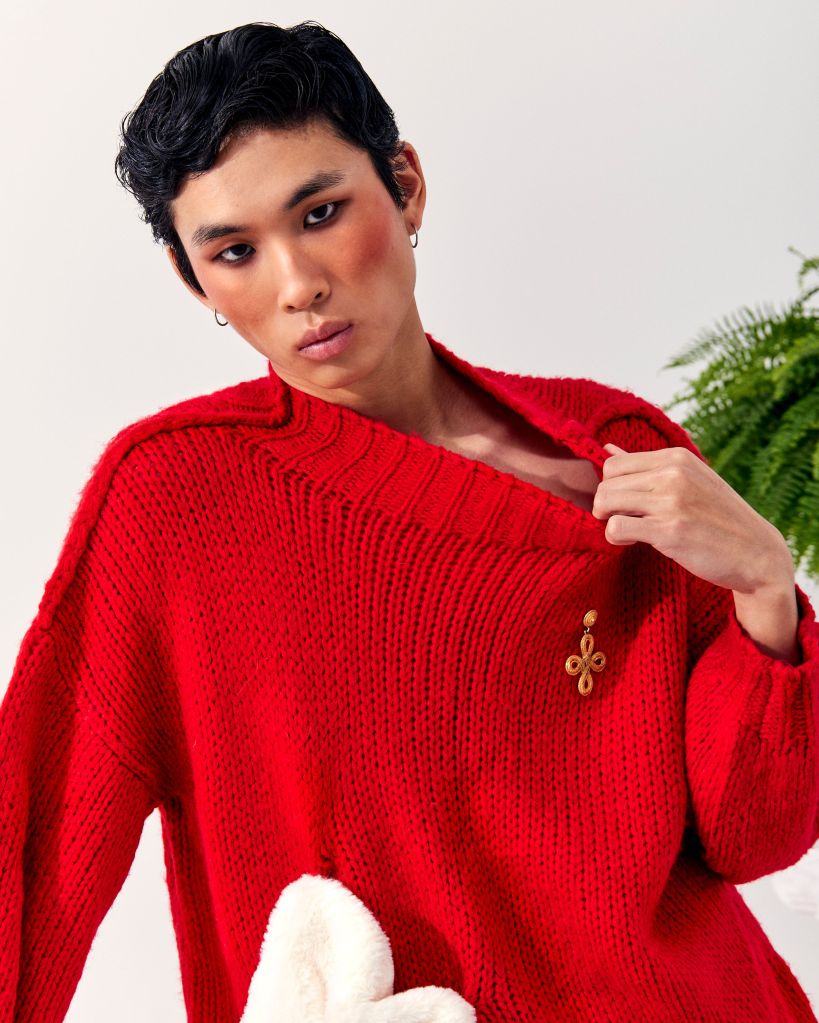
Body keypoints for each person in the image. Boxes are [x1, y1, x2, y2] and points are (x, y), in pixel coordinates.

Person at [1, 19, 817, 1023]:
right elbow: (36, 850)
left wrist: (764, 590)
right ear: (192, 277)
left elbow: (751, 840)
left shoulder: (622, 452)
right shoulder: (172, 499)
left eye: (321, 213)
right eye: (234, 251)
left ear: (406, 184)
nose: (297, 284)